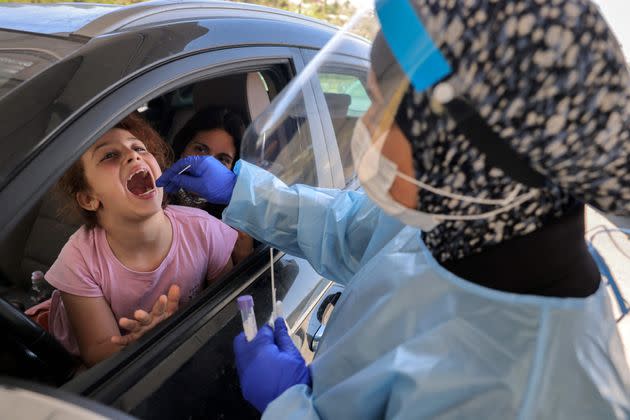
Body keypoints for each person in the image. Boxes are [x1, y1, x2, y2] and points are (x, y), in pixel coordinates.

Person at [157, 0, 630, 418]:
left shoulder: (541, 395)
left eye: (380, 111)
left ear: (455, 144)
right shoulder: (463, 221)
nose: (365, 129)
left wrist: (291, 407)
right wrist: (241, 188)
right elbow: (345, 229)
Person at [40, 112, 238, 367]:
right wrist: (139, 343)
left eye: (139, 148)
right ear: (89, 198)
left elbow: (226, 309)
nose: (134, 155)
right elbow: (97, 351)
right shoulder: (78, 259)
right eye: (110, 155)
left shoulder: (206, 231)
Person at [171, 106, 254, 263]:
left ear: (233, 169)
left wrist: (243, 255)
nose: (208, 166)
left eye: (222, 159)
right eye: (201, 149)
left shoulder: (235, 220)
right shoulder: (156, 194)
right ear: (183, 150)